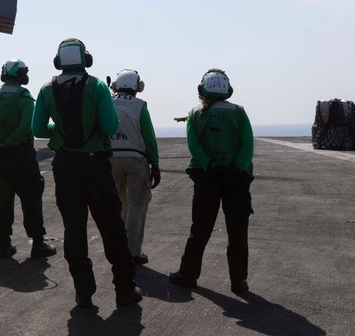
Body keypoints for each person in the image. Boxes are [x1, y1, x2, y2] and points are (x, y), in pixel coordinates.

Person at [32, 38, 142, 309]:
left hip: (65, 165)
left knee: (74, 228)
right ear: (86, 59)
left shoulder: (46, 89)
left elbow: (38, 129)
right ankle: (124, 289)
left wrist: (60, 132)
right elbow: (108, 125)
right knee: (111, 226)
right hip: (95, 164)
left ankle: (84, 292)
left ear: (58, 61)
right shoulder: (98, 86)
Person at [169, 69, 254, 295]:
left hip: (207, 178)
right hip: (237, 179)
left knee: (200, 228)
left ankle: (188, 274)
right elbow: (247, 145)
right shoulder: (239, 111)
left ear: (201, 90)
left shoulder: (194, 113)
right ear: (228, 90)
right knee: (237, 230)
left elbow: (194, 146)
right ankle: (239, 281)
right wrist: (237, 168)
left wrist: (211, 166)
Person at [0, 59, 57, 260]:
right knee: (31, 200)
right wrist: (7, 144)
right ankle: (38, 244)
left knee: (2, 202)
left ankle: (4, 245)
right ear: (21, 75)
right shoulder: (23, 95)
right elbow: (27, 126)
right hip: (21, 157)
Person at [109, 69, 161, 265]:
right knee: (136, 205)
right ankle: (133, 252)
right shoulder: (139, 106)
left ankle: (117, 248)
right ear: (138, 87)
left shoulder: (108, 102)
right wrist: (155, 166)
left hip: (112, 159)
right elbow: (149, 139)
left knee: (118, 205)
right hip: (136, 161)